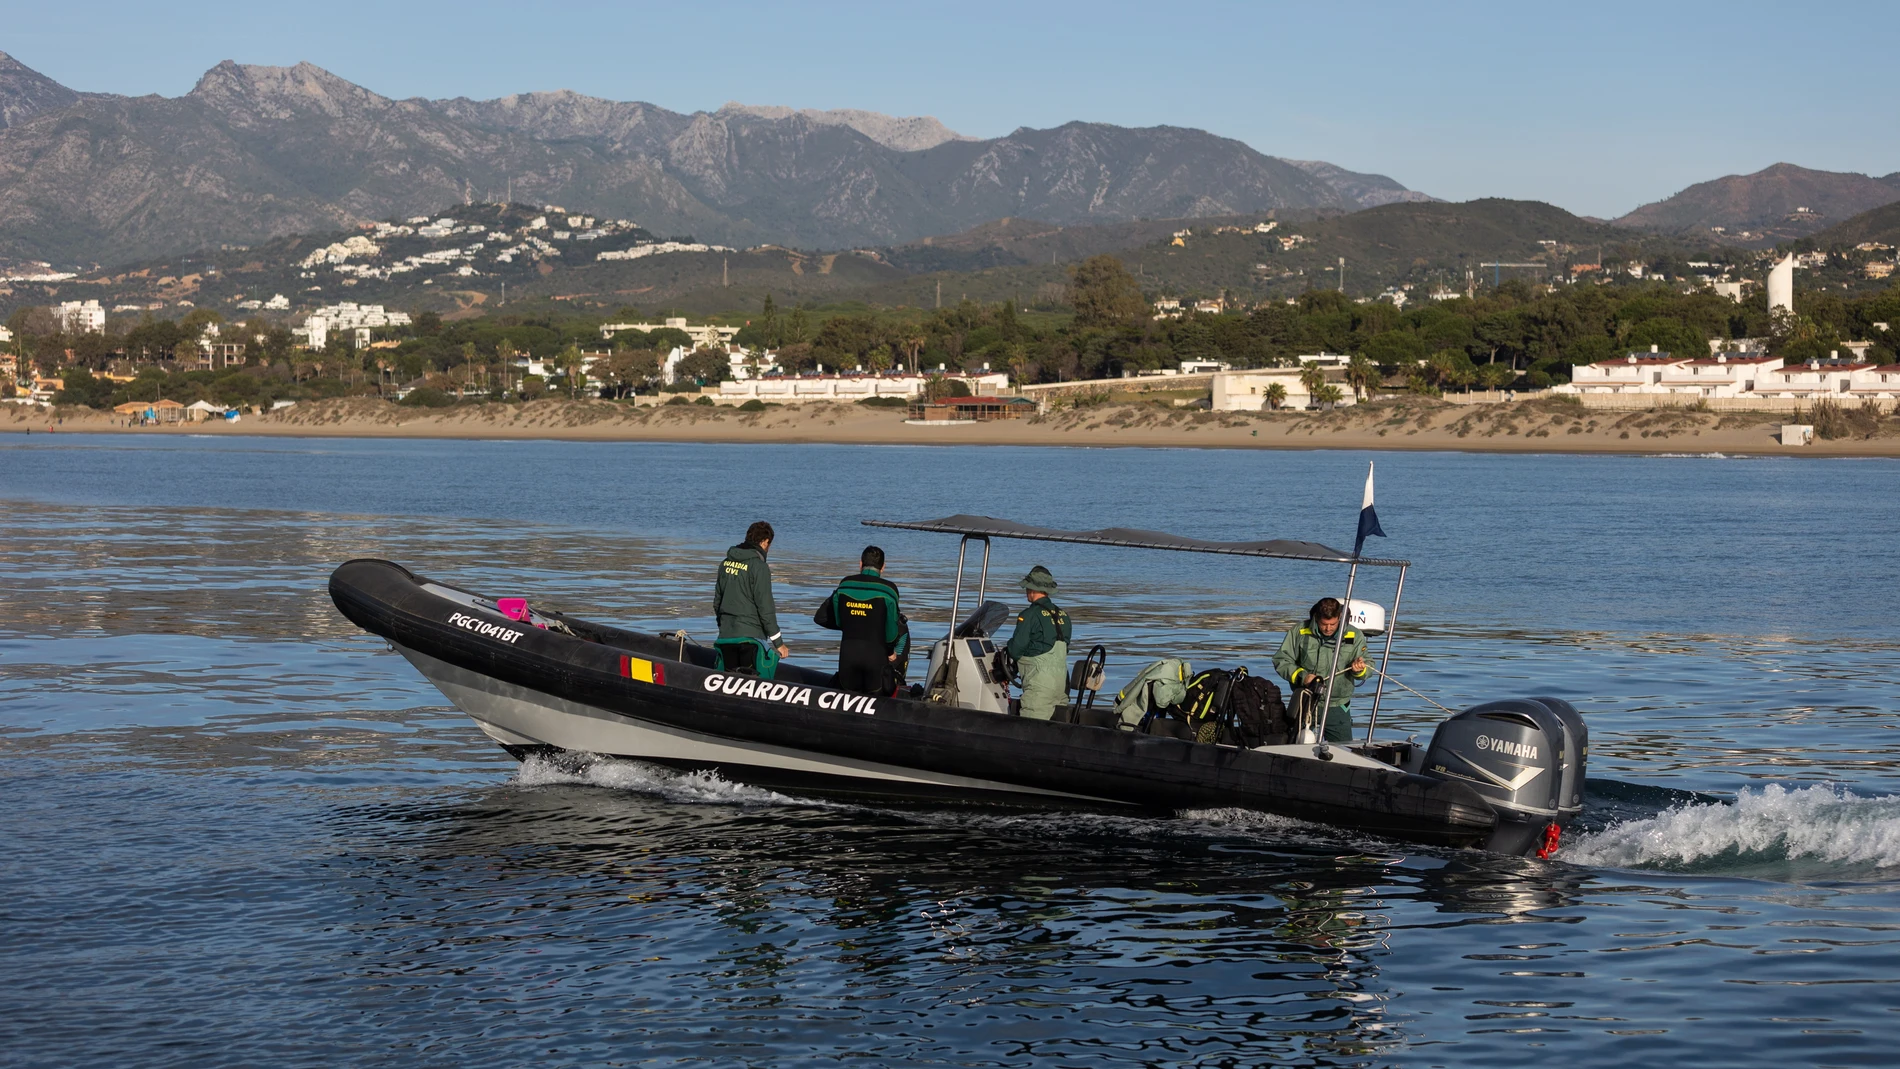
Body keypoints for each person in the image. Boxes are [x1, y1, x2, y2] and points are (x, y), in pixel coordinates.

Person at [813, 545, 908, 694]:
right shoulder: (889, 590)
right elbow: (890, 635)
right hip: (876, 658)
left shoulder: (844, 585)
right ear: (883, 567)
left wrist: (856, 621)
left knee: (848, 700)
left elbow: (834, 620)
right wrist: (890, 653)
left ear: (860, 563)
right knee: (875, 702)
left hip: (847, 657)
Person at [1272, 596, 1369, 743]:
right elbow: (1281, 660)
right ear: (1317, 617)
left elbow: (1368, 666)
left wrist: (1359, 669)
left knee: (1344, 751)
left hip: (1338, 707)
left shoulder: (1354, 635)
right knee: (1296, 749)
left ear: (1340, 617)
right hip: (1305, 702)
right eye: (1324, 624)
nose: (1328, 628)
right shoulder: (1299, 631)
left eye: (1333, 624)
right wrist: (1302, 677)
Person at [713, 521, 788, 675]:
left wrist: (724, 626)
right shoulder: (759, 567)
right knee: (749, 683)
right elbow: (765, 608)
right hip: (750, 638)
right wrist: (779, 643)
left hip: (726, 636)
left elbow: (717, 602)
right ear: (765, 542)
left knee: (729, 681)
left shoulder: (725, 563)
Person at [1004, 566, 1072, 720]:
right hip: (1061, 685)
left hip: (1040, 688)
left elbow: (1015, 650)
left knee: (1030, 729)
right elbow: (1064, 649)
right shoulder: (1064, 615)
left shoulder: (1029, 615)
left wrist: (1008, 648)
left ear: (1031, 589)